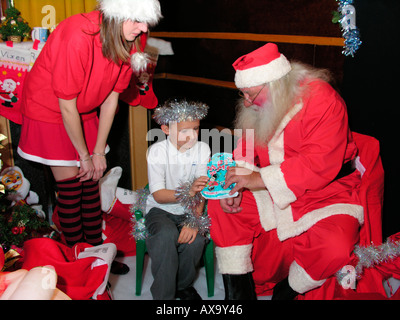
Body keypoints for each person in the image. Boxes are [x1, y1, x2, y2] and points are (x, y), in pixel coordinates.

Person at [207, 43, 364, 299]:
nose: (246, 103)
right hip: (270, 184)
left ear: (275, 85)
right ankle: (238, 295)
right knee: (220, 204)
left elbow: (318, 163)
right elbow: (246, 144)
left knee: (335, 247)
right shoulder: (259, 101)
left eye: (250, 95)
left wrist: (257, 178)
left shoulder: (323, 100)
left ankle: (288, 290)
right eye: (242, 94)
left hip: (327, 192)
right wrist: (235, 182)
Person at [16, 0, 162, 265]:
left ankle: (98, 255)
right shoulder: (77, 34)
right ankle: (80, 263)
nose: (143, 29)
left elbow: (111, 100)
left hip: (83, 109)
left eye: (146, 21)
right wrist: (84, 155)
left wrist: (97, 152)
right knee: (73, 184)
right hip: (50, 109)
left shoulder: (132, 38)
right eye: (137, 20)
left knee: (92, 182)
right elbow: (66, 105)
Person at [145, 99, 211, 300]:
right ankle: (163, 296)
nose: (191, 135)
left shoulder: (203, 150)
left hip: (189, 210)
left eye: (196, 129)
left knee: (196, 240)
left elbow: (202, 189)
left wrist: (193, 220)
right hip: (160, 209)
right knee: (166, 235)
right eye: (184, 131)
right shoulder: (157, 152)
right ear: (166, 129)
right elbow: (158, 194)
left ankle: (182, 287)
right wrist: (188, 191)